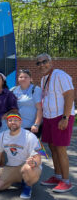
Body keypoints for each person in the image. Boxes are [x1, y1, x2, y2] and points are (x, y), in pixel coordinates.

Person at [37, 54, 75, 192]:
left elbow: (70, 94)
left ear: (51, 62)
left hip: (61, 117)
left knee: (60, 148)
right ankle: (57, 176)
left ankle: (66, 181)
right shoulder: (43, 79)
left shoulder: (60, 74)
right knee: (52, 147)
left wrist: (65, 117)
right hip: (49, 117)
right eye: (39, 63)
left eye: (44, 62)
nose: (42, 65)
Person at [0, 112, 42, 200]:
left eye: (16, 120)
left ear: (20, 122)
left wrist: (34, 163)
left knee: (27, 169)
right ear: (7, 123)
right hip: (12, 167)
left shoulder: (30, 136)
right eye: (10, 120)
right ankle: (19, 180)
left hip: (27, 166)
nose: (13, 122)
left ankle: (27, 186)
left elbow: (38, 157)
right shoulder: (2, 135)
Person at [10, 69, 43, 136]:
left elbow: (39, 109)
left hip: (31, 127)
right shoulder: (13, 90)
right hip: (17, 126)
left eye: (26, 77)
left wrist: (36, 124)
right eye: (21, 77)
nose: (23, 79)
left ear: (30, 79)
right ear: (18, 79)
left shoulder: (35, 89)